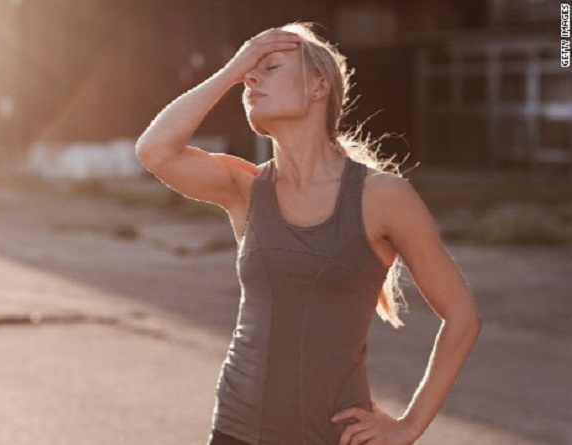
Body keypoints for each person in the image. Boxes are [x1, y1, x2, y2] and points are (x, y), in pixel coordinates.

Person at [135, 21, 482, 445]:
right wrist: (231, 68)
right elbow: (154, 150)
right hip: (235, 431)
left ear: (318, 87)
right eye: (249, 72)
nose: (251, 77)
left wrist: (409, 426)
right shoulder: (245, 188)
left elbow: (462, 315)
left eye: (271, 67)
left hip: (333, 437)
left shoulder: (382, 196)